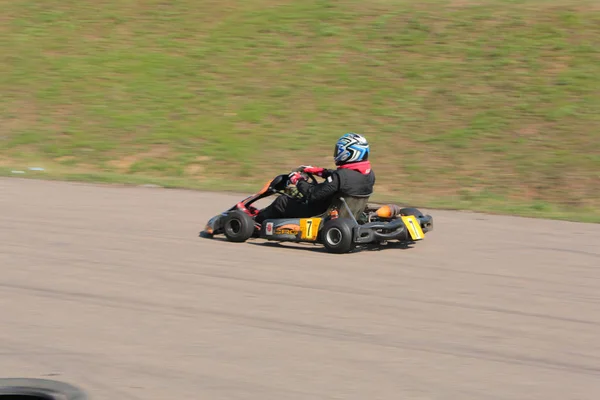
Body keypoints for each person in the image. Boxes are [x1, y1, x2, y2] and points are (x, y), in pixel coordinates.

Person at [253, 132, 375, 224]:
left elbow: (312, 195)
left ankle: (256, 222)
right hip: (347, 215)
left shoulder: (341, 177)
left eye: (339, 150)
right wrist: (318, 171)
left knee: (282, 201)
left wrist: (298, 180)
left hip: (321, 215)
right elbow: (341, 178)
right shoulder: (368, 174)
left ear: (349, 153)